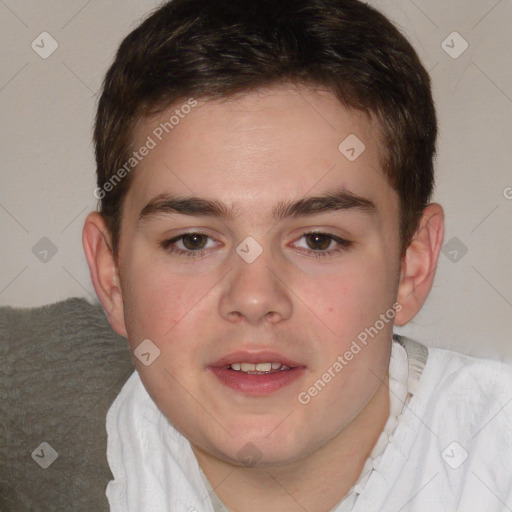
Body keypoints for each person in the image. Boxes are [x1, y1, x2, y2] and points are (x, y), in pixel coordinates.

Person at [82, 0, 512, 510]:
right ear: (111, 277)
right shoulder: (135, 422)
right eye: (193, 241)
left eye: (318, 240)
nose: (255, 298)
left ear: (412, 265)